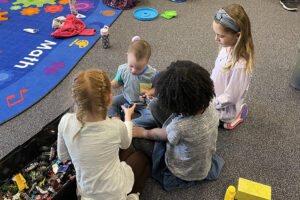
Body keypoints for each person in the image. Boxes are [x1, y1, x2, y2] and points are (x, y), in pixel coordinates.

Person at [57, 69, 150, 200]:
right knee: (142, 158)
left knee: (124, 153)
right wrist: (128, 118)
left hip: (86, 192)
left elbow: (63, 155)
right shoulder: (115, 126)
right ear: (110, 98)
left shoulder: (65, 121)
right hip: (114, 192)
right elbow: (126, 143)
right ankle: (133, 196)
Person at [133, 60, 225, 191]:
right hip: (198, 154)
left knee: (137, 140)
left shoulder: (179, 127)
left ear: (179, 106)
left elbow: (158, 134)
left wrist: (143, 132)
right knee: (155, 105)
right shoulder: (210, 106)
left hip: (182, 170)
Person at [211, 4, 255, 129]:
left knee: (218, 123)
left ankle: (236, 116)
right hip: (213, 96)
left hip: (223, 109)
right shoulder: (227, 46)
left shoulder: (240, 66)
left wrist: (210, 104)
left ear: (238, 35)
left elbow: (231, 97)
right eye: (216, 34)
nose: (216, 39)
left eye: (221, 36)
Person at [108, 39, 158, 129]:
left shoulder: (153, 74)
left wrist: (151, 92)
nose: (134, 70)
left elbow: (158, 88)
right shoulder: (122, 69)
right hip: (126, 97)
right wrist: (109, 85)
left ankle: (130, 125)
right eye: (131, 66)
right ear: (127, 57)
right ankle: (116, 120)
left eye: (139, 67)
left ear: (147, 61)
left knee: (153, 118)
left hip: (144, 103)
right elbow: (118, 82)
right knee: (109, 101)